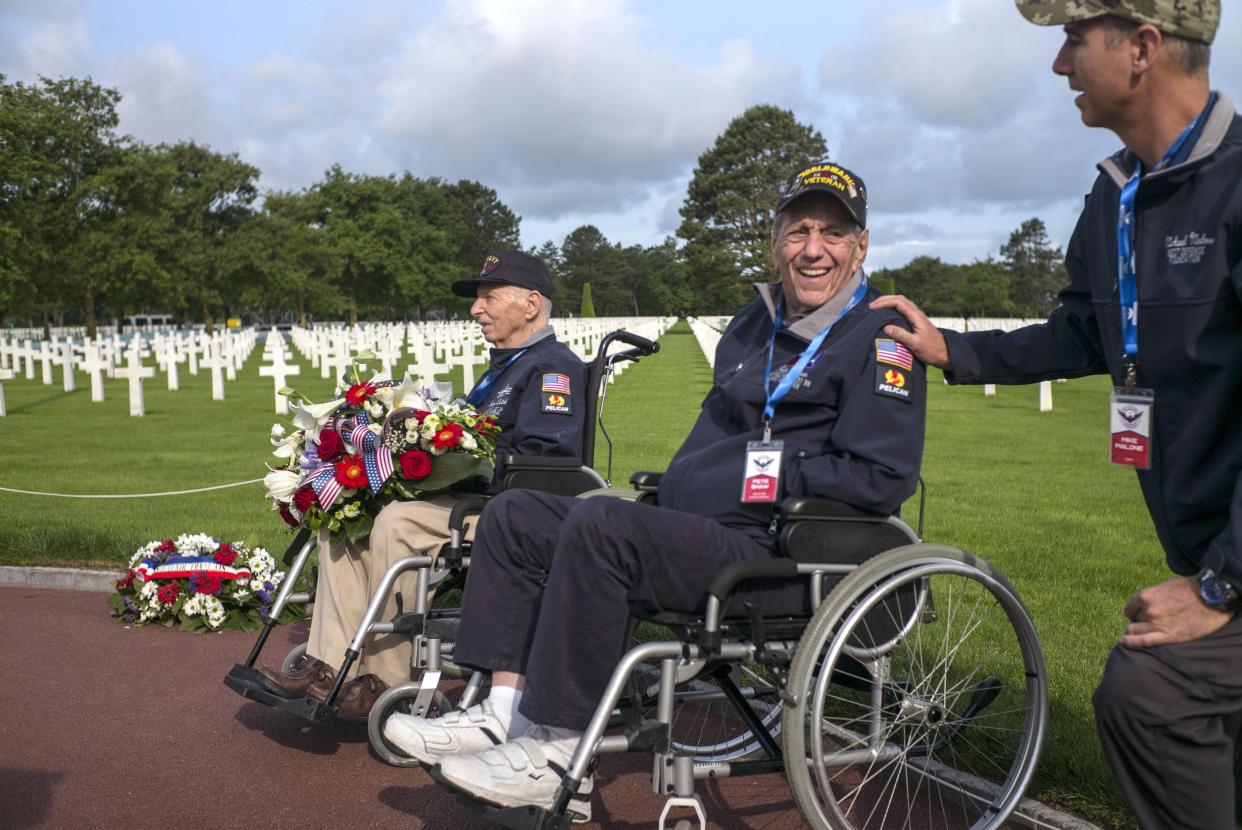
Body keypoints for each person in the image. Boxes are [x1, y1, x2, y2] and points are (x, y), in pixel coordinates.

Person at [382, 161, 928, 820]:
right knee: (519, 515)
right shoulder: (754, 324)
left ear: (861, 246)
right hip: (701, 529)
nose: (813, 249)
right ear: (775, 241)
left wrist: (767, 476)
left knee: (601, 529)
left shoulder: (880, 338)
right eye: (798, 230)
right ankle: (504, 715)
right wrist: (681, 484)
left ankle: (556, 748)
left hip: (780, 551)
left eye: (833, 233)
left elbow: (882, 475)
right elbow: (716, 432)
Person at [871, 2, 1240, 826]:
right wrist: (954, 352)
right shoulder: (1115, 197)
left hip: (1230, 560)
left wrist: (1220, 585)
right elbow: (1083, 331)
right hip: (1204, 534)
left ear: (1142, 48)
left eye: (1075, 40)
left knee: (1153, 691)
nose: (1060, 65)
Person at [257, 251, 587, 716]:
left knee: (396, 521)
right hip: (469, 501)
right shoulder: (505, 367)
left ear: (532, 304)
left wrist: (455, 459)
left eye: (489, 298)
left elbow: (548, 459)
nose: (476, 309)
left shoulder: (554, 369)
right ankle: (330, 664)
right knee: (346, 519)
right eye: (478, 300)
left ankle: (385, 680)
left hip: (512, 512)